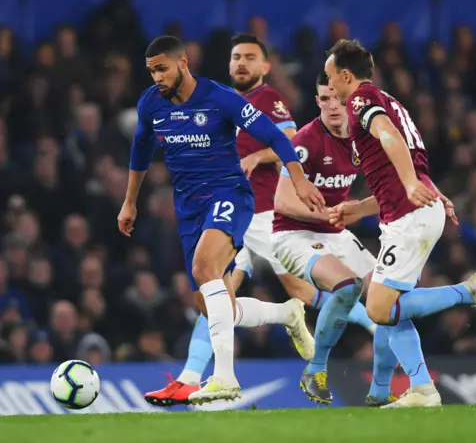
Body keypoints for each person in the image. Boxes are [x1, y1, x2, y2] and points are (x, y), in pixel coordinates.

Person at [143, 36, 375, 407]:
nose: (241, 63)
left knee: (297, 289)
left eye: (250, 58)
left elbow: (288, 139)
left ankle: (372, 322)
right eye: (236, 57)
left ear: (265, 67)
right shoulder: (221, 100)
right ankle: (195, 373)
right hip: (230, 213)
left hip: (263, 212)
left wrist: (257, 158)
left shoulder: (269, 100)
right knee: (214, 299)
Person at [324, 39, 476, 408]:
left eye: (330, 78)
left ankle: (468, 291)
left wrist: (412, 184)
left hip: (409, 216)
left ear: (346, 75)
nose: (329, 86)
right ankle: (418, 388)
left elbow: (391, 140)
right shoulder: (390, 100)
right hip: (414, 210)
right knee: (390, 306)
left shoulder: (360, 101)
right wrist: (359, 209)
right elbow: (398, 166)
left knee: (378, 308)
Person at [270, 72, 380, 404]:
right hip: (295, 234)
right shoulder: (304, 142)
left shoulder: (364, 138)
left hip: (337, 232)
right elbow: (283, 201)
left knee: (391, 300)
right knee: (348, 286)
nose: (333, 106)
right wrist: (329, 214)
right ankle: (315, 370)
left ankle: (398, 388)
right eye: (325, 99)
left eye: (339, 99)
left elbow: (387, 186)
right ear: (317, 101)